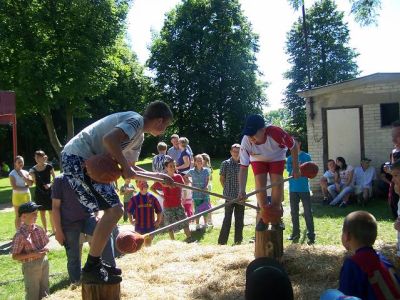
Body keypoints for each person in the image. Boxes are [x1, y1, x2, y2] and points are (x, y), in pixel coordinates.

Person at [61, 100, 174, 284]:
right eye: (166, 125)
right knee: (115, 210)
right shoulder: (135, 120)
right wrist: (123, 165)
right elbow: (109, 139)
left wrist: (161, 177)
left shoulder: (139, 137)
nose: (165, 129)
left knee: (114, 210)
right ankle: (91, 267)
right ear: (160, 121)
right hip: (77, 158)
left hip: (88, 160)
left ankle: (95, 264)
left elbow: (131, 168)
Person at [52, 174, 120, 284]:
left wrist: (98, 214)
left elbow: (96, 198)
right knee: (73, 256)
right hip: (69, 223)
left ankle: (109, 269)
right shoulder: (60, 180)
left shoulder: (86, 175)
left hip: (88, 217)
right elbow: (55, 207)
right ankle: (76, 283)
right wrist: (58, 231)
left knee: (106, 233)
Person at [238, 115, 300, 230]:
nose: (251, 137)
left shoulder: (276, 132)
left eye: (253, 133)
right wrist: (242, 189)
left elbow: (293, 146)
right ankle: (264, 215)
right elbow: (243, 167)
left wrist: (296, 168)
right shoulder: (246, 141)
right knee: (260, 183)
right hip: (257, 159)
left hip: (277, 156)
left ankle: (276, 216)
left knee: (277, 182)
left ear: (263, 129)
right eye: (248, 134)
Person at [338, 211, 400, 299]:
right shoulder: (385, 260)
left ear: (347, 236)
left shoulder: (353, 264)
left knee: (329, 295)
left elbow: (346, 297)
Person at [11, 202, 49, 300]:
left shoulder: (39, 229)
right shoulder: (19, 235)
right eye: (33, 214)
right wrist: (33, 254)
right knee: (33, 292)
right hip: (30, 266)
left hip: (44, 262)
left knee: (45, 290)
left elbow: (46, 242)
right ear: (23, 217)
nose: (37, 215)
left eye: (36, 213)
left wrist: (45, 249)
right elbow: (15, 256)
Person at [151, 156, 194, 242]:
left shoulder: (178, 177)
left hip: (178, 204)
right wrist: (161, 195)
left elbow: (183, 186)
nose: (173, 168)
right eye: (170, 166)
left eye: (174, 166)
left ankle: (189, 238)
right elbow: (152, 188)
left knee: (184, 222)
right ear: (166, 167)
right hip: (168, 205)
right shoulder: (163, 178)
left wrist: (175, 186)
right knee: (170, 225)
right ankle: (172, 241)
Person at [287, 137, 315, 245]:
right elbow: (290, 173)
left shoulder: (307, 156)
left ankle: (311, 235)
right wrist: (297, 168)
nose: (293, 145)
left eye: (295, 142)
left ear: (299, 143)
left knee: (307, 212)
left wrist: (300, 169)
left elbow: (311, 171)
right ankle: (295, 234)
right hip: (293, 189)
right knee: (294, 212)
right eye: (291, 143)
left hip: (304, 189)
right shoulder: (289, 159)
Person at [218, 144, 244, 245]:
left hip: (240, 196)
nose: (236, 153)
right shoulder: (226, 163)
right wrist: (226, 190)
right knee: (227, 219)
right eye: (234, 151)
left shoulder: (243, 163)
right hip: (229, 196)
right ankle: (222, 242)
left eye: (238, 151)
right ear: (231, 152)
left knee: (239, 220)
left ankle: (238, 241)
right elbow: (221, 179)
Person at [127, 180, 162, 247]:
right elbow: (129, 211)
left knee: (148, 244)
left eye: (146, 185)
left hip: (150, 225)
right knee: (139, 244)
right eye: (143, 185)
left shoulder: (152, 197)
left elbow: (159, 210)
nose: (145, 187)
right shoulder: (134, 198)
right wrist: (131, 221)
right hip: (139, 226)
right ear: (140, 187)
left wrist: (158, 221)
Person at [30, 150, 56, 233]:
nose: (36, 159)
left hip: (49, 192)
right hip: (39, 193)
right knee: (42, 212)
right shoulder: (33, 169)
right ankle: (45, 229)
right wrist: (31, 176)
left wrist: (50, 184)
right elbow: (33, 182)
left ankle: (53, 229)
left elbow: (55, 179)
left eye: (38, 157)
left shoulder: (49, 167)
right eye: (35, 157)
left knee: (51, 212)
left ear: (43, 157)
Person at [184, 154, 212, 229]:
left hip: (205, 193)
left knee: (205, 208)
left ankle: (205, 223)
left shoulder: (206, 170)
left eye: (201, 160)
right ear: (195, 162)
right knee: (197, 209)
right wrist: (190, 182)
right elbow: (185, 177)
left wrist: (206, 186)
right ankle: (197, 224)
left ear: (203, 161)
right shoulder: (192, 171)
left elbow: (208, 178)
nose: (199, 162)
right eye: (198, 160)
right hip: (196, 194)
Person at [9, 156, 33, 229]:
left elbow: (31, 183)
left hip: (27, 195)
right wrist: (25, 187)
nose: (21, 163)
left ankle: (28, 230)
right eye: (19, 162)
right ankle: (18, 232)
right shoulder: (12, 174)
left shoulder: (25, 172)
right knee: (18, 215)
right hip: (17, 196)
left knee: (29, 214)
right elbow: (14, 187)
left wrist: (23, 176)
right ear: (15, 163)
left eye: (22, 162)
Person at [201, 153, 214, 226]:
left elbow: (207, 179)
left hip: (205, 187)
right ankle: (208, 221)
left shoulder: (205, 169)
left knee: (206, 203)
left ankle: (209, 221)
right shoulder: (208, 168)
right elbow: (211, 178)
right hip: (208, 186)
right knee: (206, 203)